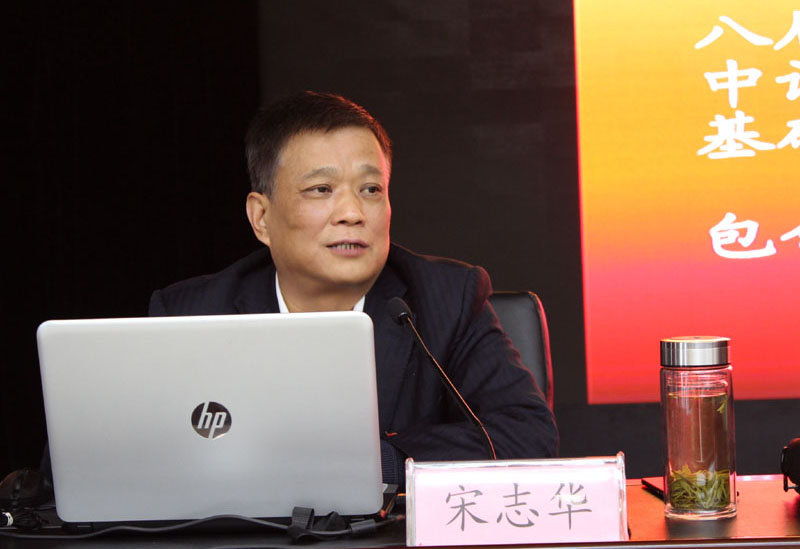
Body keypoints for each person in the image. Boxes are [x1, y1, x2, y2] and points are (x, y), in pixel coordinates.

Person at [150, 91, 558, 483]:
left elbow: (526, 436)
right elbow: (151, 458)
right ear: (261, 217)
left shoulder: (449, 298)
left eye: (370, 190)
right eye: (321, 190)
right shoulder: (190, 314)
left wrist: (373, 465)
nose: (352, 213)